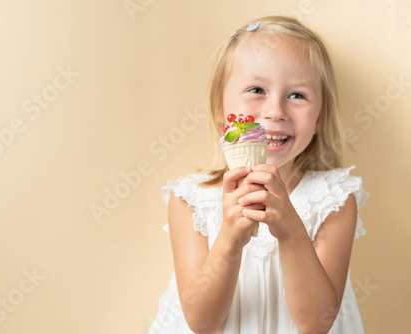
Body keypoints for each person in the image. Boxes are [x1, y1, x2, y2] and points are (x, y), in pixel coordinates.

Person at [149, 16, 368, 334]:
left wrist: (291, 232)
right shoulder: (190, 201)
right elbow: (201, 322)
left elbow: (316, 323)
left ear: (320, 118)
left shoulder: (334, 199)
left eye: (297, 95)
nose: (276, 110)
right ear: (219, 110)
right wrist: (230, 239)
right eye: (256, 89)